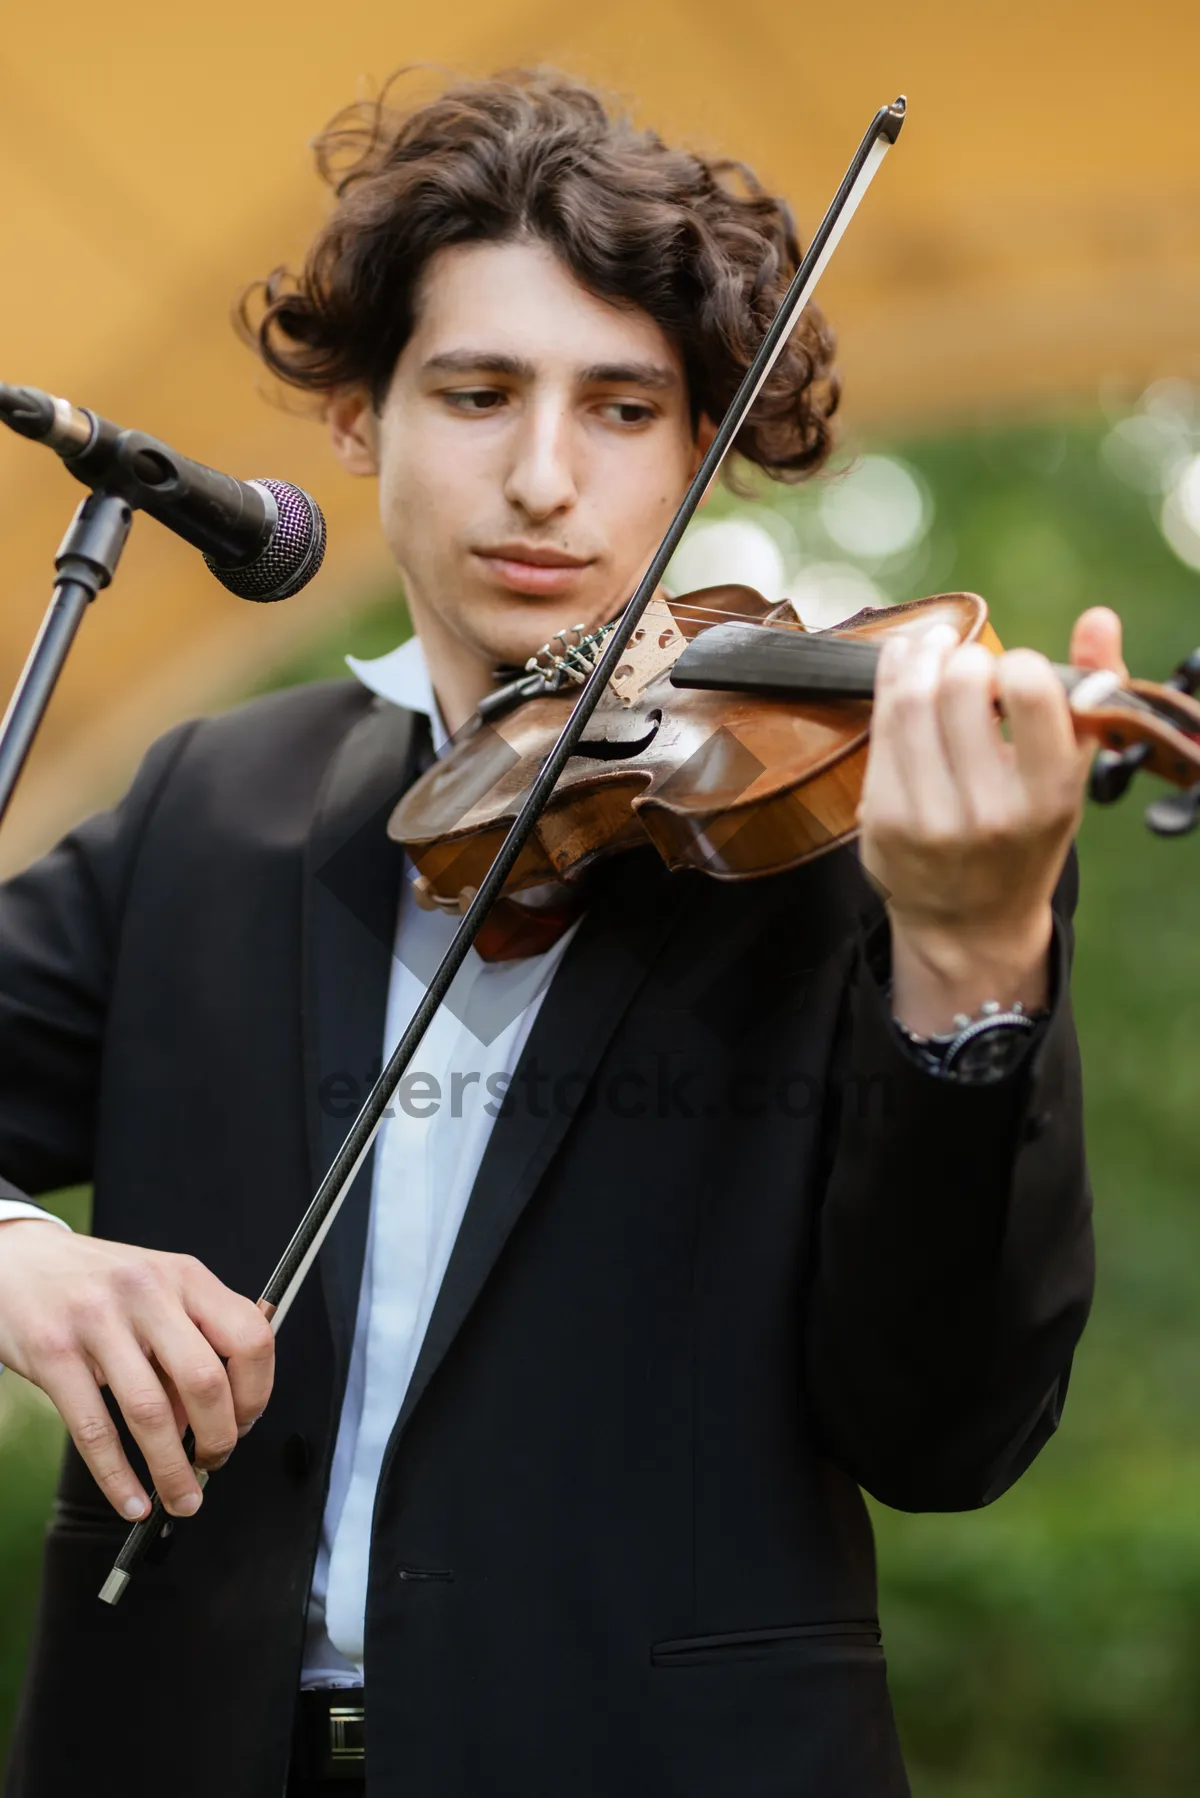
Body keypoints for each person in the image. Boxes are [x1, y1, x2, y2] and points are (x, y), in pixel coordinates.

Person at [0, 69, 1117, 1798]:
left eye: (619, 408)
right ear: (362, 418)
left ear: (697, 445)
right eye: (476, 391)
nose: (542, 477)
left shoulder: (851, 839)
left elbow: (946, 1432)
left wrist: (967, 964)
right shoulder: (213, 803)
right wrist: (23, 1258)